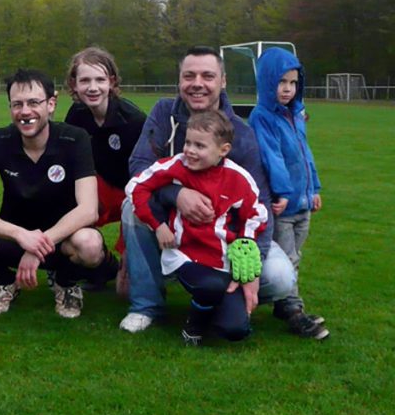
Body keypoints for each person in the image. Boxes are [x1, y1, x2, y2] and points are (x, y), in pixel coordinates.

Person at [118, 46, 298, 335]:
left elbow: (260, 203)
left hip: (222, 237)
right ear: (179, 80)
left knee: (279, 278)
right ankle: (146, 305)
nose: (197, 83)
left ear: (223, 81)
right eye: (189, 76)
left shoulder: (240, 133)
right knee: (132, 207)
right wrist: (176, 194)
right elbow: (139, 166)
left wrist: (251, 264)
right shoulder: (164, 113)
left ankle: (220, 296)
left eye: (207, 76)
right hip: (173, 228)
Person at [0, 69, 115, 317]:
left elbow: (88, 210)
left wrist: (39, 244)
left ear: (51, 104)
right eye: (17, 104)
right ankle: (5, 282)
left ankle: (65, 283)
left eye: (34, 103)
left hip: (62, 241)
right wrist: (20, 235)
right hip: (14, 240)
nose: (25, 111)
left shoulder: (75, 139)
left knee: (90, 244)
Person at [127, 111, 268, 345]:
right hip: (184, 256)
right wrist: (158, 225)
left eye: (200, 146)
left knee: (236, 330)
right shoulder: (176, 165)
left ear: (223, 150)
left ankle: (210, 310)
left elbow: (256, 213)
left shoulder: (238, 178)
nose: (190, 150)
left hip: (222, 261)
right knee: (211, 286)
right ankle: (194, 326)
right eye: (188, 142)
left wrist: (246, 242)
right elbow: (136, 186)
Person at [248, 48, 328, 338]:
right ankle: (294, 311)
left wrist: (314, 188)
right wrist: (282, 192)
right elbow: (272, 157)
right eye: (281, 82)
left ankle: (284, 304)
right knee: (288, 256)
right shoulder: (262, 117)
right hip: (283, 205)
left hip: (303, 202)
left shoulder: (295, 115)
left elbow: (305, 155)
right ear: (267, 81)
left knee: (296, 255)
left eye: (293, 83)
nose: (288, 88)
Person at [63, 47, 146, 293]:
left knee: (126, 291)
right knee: (65, 204)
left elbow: (145, 180)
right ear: (74, 84)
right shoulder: (76, 115)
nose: (93, 88)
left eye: (99, 80)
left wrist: (128, 250)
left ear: (111, 81)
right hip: (98, 187)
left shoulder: (133, 120)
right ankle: (100, 267)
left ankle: (145, 265)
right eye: (85, 80)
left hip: (131, 193)